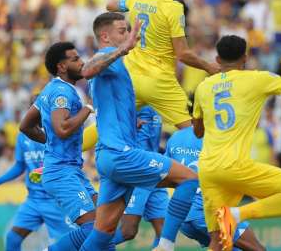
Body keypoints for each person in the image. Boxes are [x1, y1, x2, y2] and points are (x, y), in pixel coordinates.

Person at [79, 13, 198, 251]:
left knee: (104, 232)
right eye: (122, 31)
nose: (128, 35)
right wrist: (122, 48)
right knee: (189, 179)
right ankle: (165, 245)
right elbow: (87, 70)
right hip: (121, 154)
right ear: (105, 36)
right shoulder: (106, 55)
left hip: (110, 155)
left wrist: (130, 123)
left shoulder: (117, 65)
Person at [193, 35, 281, 251]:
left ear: (217, 59)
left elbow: (198, 131)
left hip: (209, 169)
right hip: (235, 166)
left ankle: (231, 216)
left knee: (219, 241)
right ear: (246, 58)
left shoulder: (203, 87)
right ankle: (238, 214)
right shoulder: (257, 79)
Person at [106, 0, 218, 130]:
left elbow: (110, 4)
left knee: (107, 126)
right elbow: (182, 54)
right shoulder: (174, 8)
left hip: (132, 77)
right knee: (196, 132)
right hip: (159, 82)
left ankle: (52, 152)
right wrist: (208, 66)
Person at [19, 42, 97, 250]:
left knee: (105, 226)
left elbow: (26, 125)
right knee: (93, 228)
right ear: (61, 67)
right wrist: (88, 107)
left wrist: (51, 143)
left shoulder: (50, 89)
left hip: (70, 170)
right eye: (74, 59)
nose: (81, 62)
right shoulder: (62, 92)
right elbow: (62, 128)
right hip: (62, 173)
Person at [165, 118, 264, 251]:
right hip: (210, 211)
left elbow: (166, 171)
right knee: (257, 249)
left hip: (182, 215)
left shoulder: (176, 137)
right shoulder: (219, 138)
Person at [0, 127, 76, 250]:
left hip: (56, 200)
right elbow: (20, 165)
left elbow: (67, 162)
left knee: (69, 243)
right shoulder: (22, 135)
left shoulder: (56, 130)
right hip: (33, 200)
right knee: (12, 238)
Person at [111, 107, 168, 248]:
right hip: (137, 172)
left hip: (155, 171)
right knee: (128, 231)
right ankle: (84, 247)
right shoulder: (132, 100)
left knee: (166, 234)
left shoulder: (160, 100)